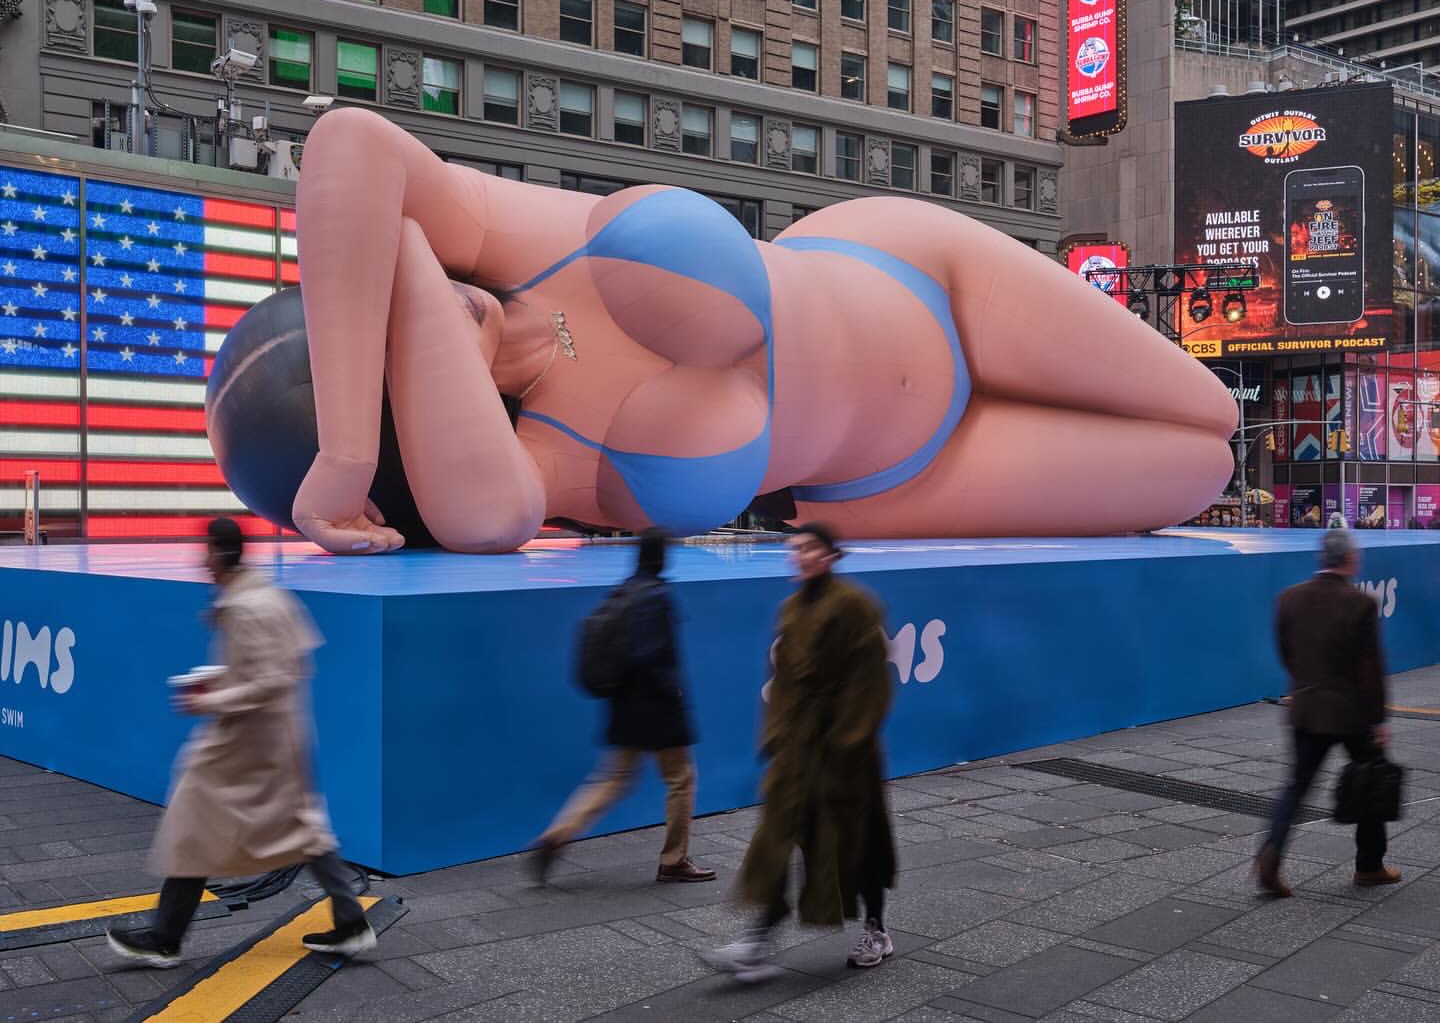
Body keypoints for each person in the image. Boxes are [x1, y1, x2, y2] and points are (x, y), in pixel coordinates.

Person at [217, 108, 1235, 557]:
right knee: (1199, 469)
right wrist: (397, 275)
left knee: (1211, 402)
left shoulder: (505, 238)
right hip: (906, 476)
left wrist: (346, 446)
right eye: (404, 335)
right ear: (421, 428)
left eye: (390, 295)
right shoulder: (541, 463)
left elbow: (348, 144)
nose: (428, 297)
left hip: (918, 269)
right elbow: (483, 517)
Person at [108, 518, 374, 968]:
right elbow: (278, 668)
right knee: (302, 827)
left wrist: (212, 699)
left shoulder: (251, 606)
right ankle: (350, 922)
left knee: (197, 822)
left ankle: (166, 937)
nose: (203, 561)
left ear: (223, 554)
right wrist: (221, 682)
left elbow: (273, 678)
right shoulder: (259, 596)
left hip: (249, 742)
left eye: (207, 551)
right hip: (267, 739)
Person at [704, 524, 896, 981]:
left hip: (847, 755)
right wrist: (777, 736)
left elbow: (870, 683)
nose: (800, 555)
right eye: (796, 548)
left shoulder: (855, 605)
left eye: (810, 548)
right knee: (778, 836)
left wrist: (848, 741)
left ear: (831, 555)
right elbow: (784, 684)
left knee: (858, 842)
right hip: (798, 748)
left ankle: (876, 928)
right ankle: (757, 940)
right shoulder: (790, 609)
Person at [530, 530, 714, 886]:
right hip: (657, 707)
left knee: (613, 779)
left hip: (624, 703)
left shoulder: (625, 590)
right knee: (681, 779)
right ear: (663, 556)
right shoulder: (656, 596)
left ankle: (557, 834)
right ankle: (674, 860)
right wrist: (671, 689)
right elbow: (649, 654)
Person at [1256, 523, 1398, 897]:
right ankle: (1369, 866)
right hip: (1351, 713)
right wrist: (1378, 717)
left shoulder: (1289, 598)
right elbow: (1370, 666)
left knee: (1297, 786)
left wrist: (1305, 685)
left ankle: (1271, 850)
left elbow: (1286, 651)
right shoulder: (1360, 604)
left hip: (1306, 708)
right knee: (1372, 781)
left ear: (1322, 558)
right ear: (1351, 560)